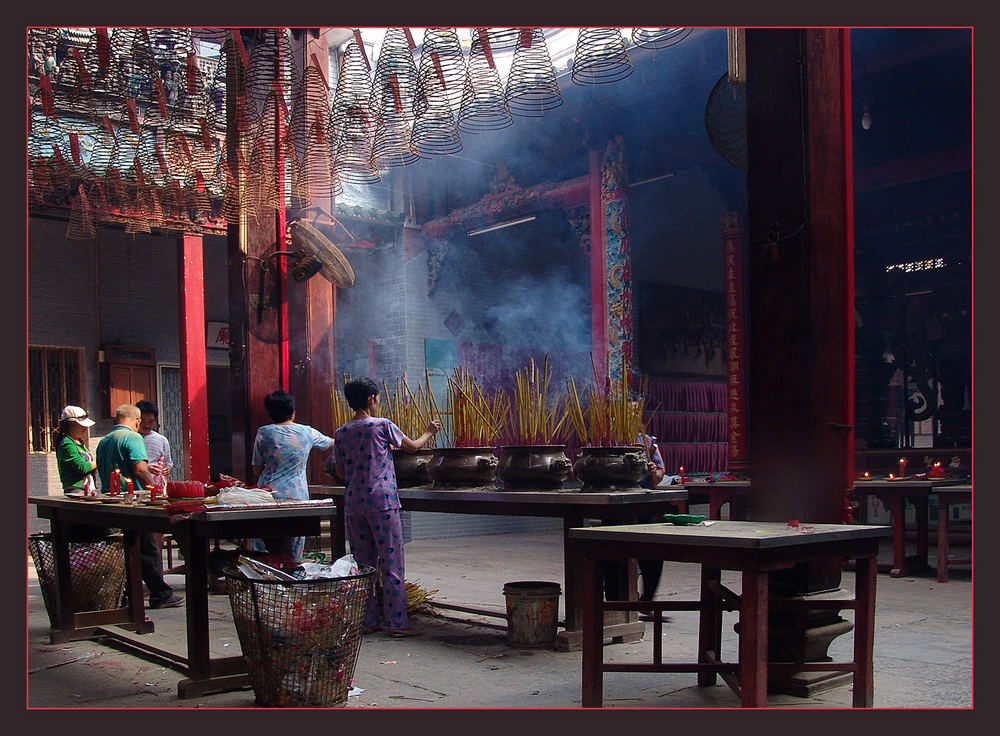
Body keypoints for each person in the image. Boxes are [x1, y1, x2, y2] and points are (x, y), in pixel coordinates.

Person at [333, 377, 440, 637]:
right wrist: (429, 431)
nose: (378, 404)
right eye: (378, 399)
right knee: (392, 565)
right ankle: (396, 624)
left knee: (365, 567)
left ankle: (368, 622)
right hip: (382, 503)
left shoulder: (342, 432)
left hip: (354, 505)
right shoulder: (381, 426)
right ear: (371, 399)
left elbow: (338, 469)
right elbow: (413, 447)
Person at [96, 403, 184, 609]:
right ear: (136, 421)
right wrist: (157, 490)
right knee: (148, 547)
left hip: (111, 498)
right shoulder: (133, 437)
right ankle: (159, 593)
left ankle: (125, 595)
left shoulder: (104, 441)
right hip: (133, 500)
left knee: (126, 548)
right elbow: (140, 469)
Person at [249, 390, 334, 561]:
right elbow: (332, 442)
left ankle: (263, 581)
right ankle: (291, 580)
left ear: (270, 412)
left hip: (267, 496)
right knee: (294, 547)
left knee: (262, 546)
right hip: (297, 497)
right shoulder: (307, 432)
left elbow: (256, 469)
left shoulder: (264, 432)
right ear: (293, 412)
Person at [54, 405, 105, 541]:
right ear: (70, 424)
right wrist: (100, 460)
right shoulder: (67, 444)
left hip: (88, 490)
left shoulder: (79, 443)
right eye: (81, 426)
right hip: (77, 492)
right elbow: (81, 467)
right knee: (82, 532)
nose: (85, 429)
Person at [136, 399, 172, 487]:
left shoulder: (161, 440)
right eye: (143, 422)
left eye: (151, 422)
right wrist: (146, 469)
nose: (147, 425)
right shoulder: (131, 439)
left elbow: (169, 462)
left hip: (157, 486)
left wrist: (167, 469)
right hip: (137, 485)